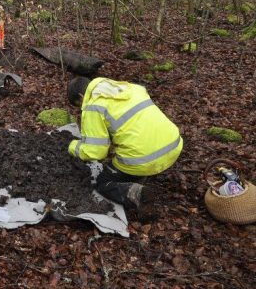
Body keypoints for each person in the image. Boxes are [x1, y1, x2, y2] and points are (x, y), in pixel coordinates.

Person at [66, 76, 183, 212]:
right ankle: (142, 173)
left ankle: (137, 193)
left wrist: (72, 146)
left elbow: (95, 152)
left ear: (81, 96)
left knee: (102, 182)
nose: (82, 109)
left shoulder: (93, 105)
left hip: (144, 159)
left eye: (79, 105)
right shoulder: (130, 88)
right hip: (174, 146)